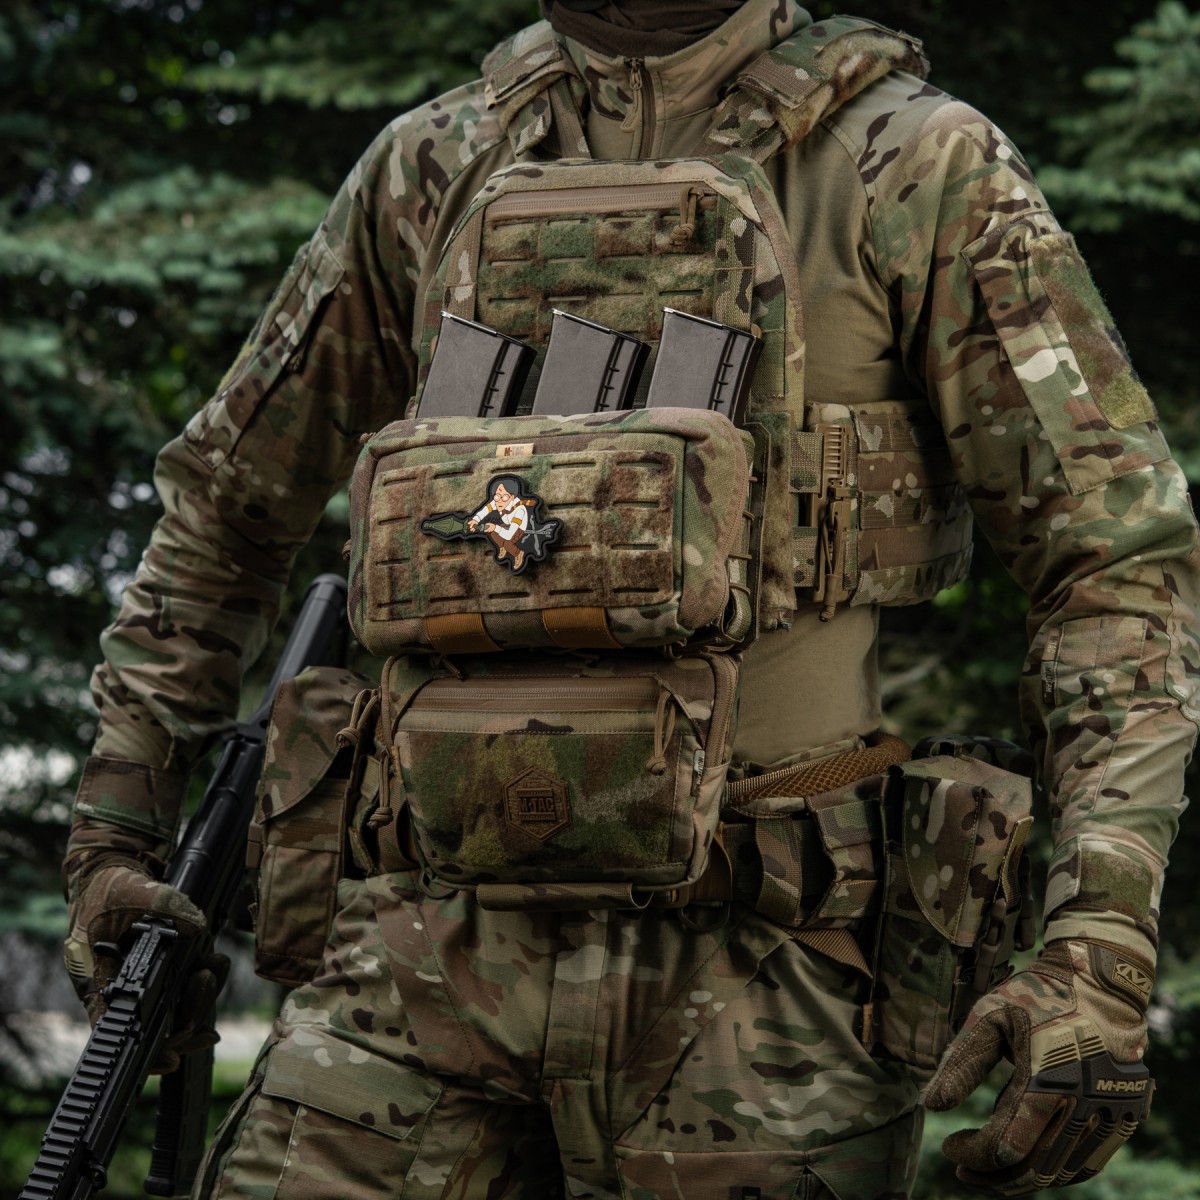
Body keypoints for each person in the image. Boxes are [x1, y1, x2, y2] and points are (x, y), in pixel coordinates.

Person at [62, 1, 1199, 1197]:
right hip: (414, 959)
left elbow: (1117, 566)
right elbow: (223, 514)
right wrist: (113, 840)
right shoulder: (430, 166)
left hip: (768, 978)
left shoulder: (912, 163)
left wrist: (1099, 947)